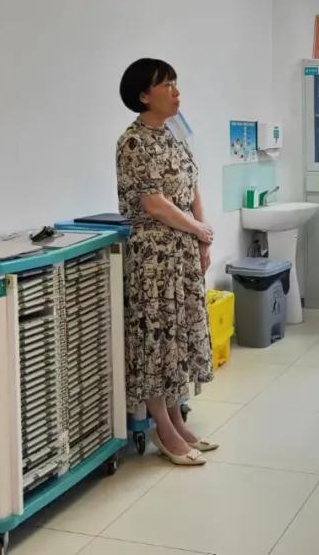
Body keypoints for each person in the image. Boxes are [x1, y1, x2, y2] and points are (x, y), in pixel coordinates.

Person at [116, 59, 217, 467]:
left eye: (176, 83)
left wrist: (201, 235)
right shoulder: (132, 142)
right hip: (153, 257)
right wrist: (197, 229)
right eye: (166, 85)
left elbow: (192, 185)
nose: (176, 92)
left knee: (178, 337)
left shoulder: (175, 133)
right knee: (157, 340)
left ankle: (177, 418)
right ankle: (162, 426)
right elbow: (154, 203)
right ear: (144, 96)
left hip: (184, 250)